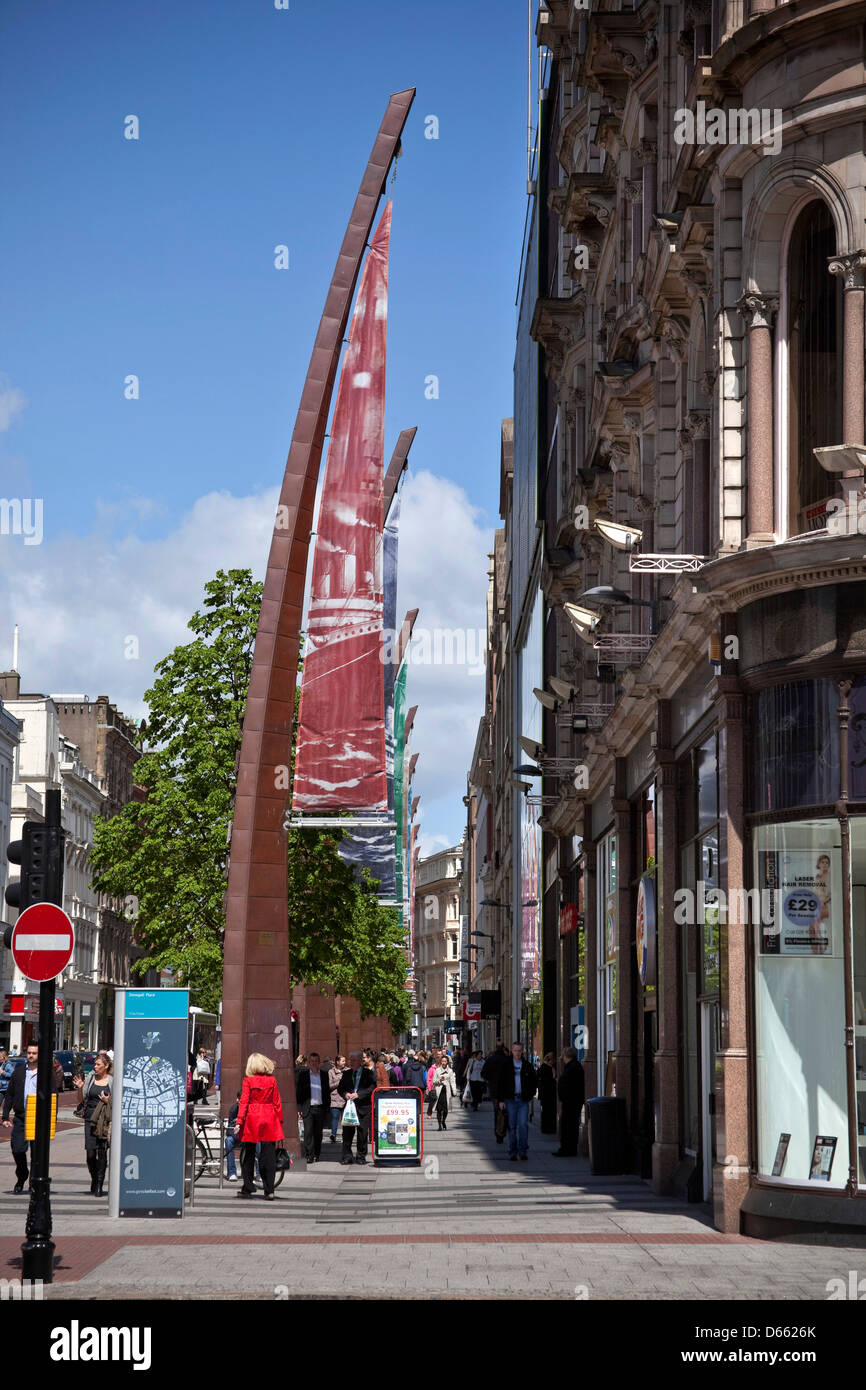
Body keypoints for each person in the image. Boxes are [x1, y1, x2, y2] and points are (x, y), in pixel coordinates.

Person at [2, 1042, 62, 1192]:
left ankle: (33, 1183)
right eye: (29, 1052)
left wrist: (52, 1118)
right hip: (21, 1116)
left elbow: (54, 1096)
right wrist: (5, 1116)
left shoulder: (46, 1074)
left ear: (39, 1055)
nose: (30, 1055)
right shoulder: (19, 1072)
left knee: (37, 1154)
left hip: (39, 1118)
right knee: (17, 1149)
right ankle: (22, 1174)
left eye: (34, 1053)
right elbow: (10, 1095)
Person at [235, 1053, 284, 1199]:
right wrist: (279, 1121)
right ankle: (269, 1190)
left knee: (249, 1153)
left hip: (252, 1117)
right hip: (269, 1116)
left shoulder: (248, 1081)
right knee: (268, 1154)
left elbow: (244, 1102)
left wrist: (239, 1121)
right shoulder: (272, 1080)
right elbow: (277, 1102)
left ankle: (248, 1186)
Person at [73, 1051, 113, 1195]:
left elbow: (118, 1102)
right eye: (95, 1064)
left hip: (105, 1120)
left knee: (102, 1152)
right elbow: (81, 1099)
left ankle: (99, 1185)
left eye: (98, 1064)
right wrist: (79, 1087)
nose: (95, 1067)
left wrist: (109, 1101)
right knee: (90, 1154)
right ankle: (94, 1178)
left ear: (106, 1066)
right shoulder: (90, 1078)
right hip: (90, 1118)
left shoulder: (112, 1081)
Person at [495, 1042, 537, 1162]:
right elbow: (500, 1083)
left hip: (523, 1100)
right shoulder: (506, 1065)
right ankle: (512, 1152)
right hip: (510, 1100)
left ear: (522, 1051)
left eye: (519, 1051)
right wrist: (501, 1100)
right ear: (512, 1051)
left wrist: (530, 1095)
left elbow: (534, 1081)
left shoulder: (527, 1065)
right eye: (515, 1050)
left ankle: (522, 1151)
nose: (517, 1053)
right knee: (512, 1126)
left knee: (523, 1125)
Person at [337, 1050, 376, 1165]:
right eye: (351, 1060)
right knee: (347, 1134)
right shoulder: (346, 1073)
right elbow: (340, 1088)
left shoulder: (368, 1073)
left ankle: (361, 1156)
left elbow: (372, 1087)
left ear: (360, 1061)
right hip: (349, 1107)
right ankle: (347, 1156)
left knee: (362, 1133)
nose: (351, 1062)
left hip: (363, 1107)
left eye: (354, 1060)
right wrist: (345, 1094)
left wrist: (359, 1094)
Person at [295, 1051, 330, 1163]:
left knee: (318, 1133)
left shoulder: (324, 1074)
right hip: (308, 1108)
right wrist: (299, 1108)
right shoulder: (304, 1075)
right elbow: (299, 1092)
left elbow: (326, 1091)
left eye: (316, 1061)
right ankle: (309, 1155)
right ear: (308, 1063)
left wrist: (327, 1107)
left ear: (319, 1062)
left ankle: (317, 1154)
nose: (314, 1063)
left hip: (320, 1107)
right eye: (312, 1061)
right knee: (308, 1132)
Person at [554, 1048, 586, 1157]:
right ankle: (567, 1148)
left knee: (569, 1126)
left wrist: (566, 1097)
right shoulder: (572, 1066)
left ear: (567, 1056)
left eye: (562, 1055)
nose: (561, 1057)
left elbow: (573, 1086)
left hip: (571, 1102)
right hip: (570, 1101)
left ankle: (568, 1149)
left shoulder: (574, 1067)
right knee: (568, 1126)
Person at [482, 1043, 509, 1142]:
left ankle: (498, 1133)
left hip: (494, 1090)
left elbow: (483, 1073)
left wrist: (490, 1080)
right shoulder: (507, 1060)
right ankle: (502, 1131)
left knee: (497, 1111)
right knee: (505, 1112)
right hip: (506, 1090)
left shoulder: (491, 1060)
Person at [432, 1054, 457, 1129]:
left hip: (447, 1092)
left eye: (445, 1061)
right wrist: (439, 1080)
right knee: (439, 1109)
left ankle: (443, 1121)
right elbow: (434, 1081)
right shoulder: (437, 1070)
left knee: (446, 1109)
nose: (443, 1062)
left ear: (447, 1062)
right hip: (439, 1092)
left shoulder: (450, 1071)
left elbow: (452, 1081)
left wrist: (454, 1091)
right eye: (442, 1061)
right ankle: (439, 1125)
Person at [537, 1052, 557, 1134]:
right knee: (547, 1112)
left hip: (548, 1093)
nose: (554, 1062)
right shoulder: (545, 1068)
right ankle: (547, 1128)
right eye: (553, 1060)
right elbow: (545, 1081)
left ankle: (548, 1128)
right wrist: (554, 1080)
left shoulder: (548, 1067)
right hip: (547, 1094)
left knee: (548, 1111)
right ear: (550, 1060)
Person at [328, 1054, 346, 1143]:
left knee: (345, 1119)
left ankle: (345, 1136)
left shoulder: (348, 1071)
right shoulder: (331, 1072)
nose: (344, 1062)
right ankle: (333, 1135)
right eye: (343, 1061)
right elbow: (330, 1086)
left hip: (345, 1098)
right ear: (337, 1062)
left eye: (345, 1061)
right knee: (335, 1117)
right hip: (335, 1098)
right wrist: (339, 1081)